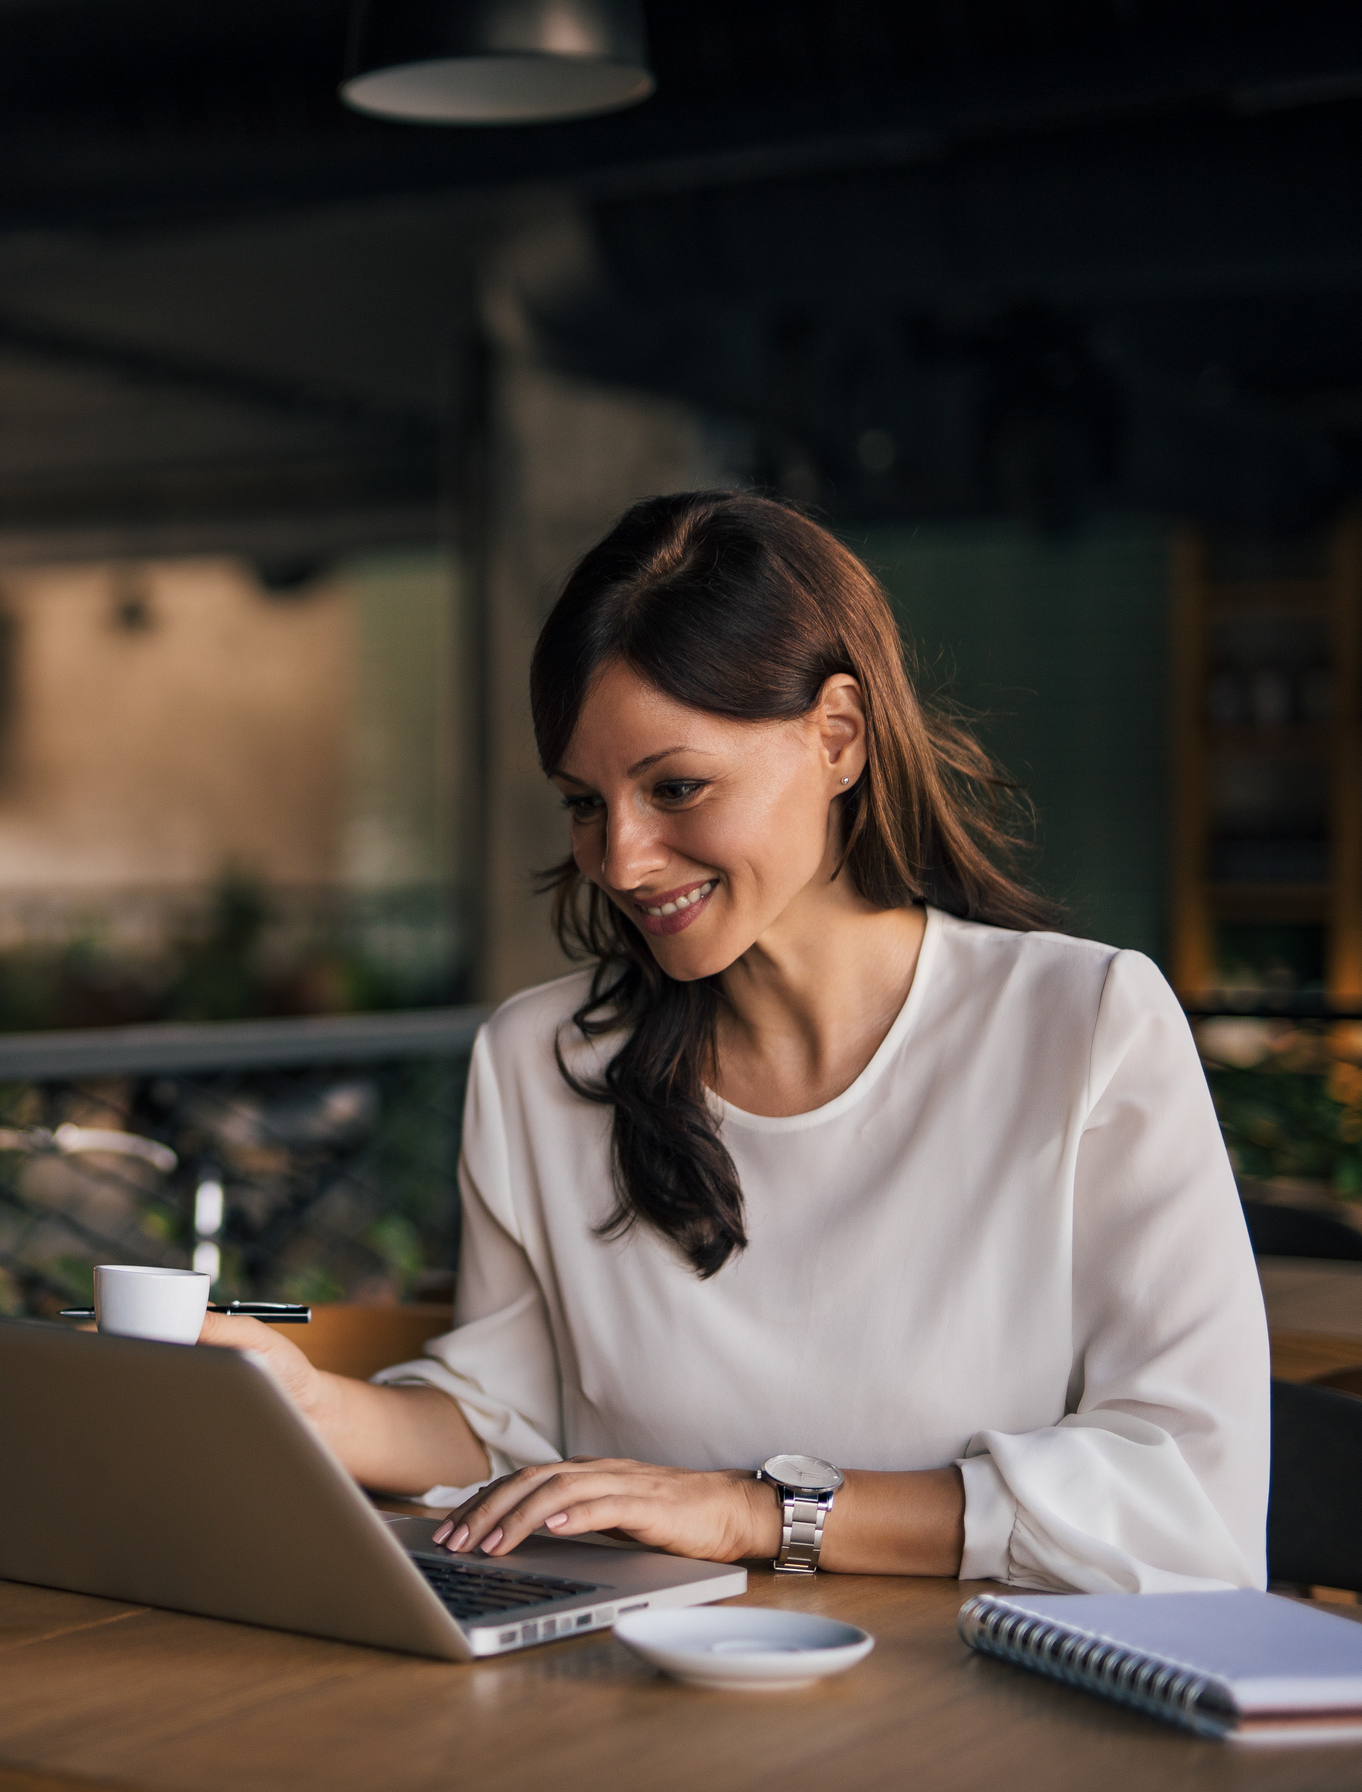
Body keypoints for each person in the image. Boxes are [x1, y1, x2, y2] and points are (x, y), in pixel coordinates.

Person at [202, 490, 1268, 1592]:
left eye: (676, 787)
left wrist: (756, 1514)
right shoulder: (540, 1061)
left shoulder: (1084, 1025)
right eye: (583, 802)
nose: (619, 858)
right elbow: (506, 1421)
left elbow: (1189, 1499)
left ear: (838, 737)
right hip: (644, 1704)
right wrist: (307, 1402)